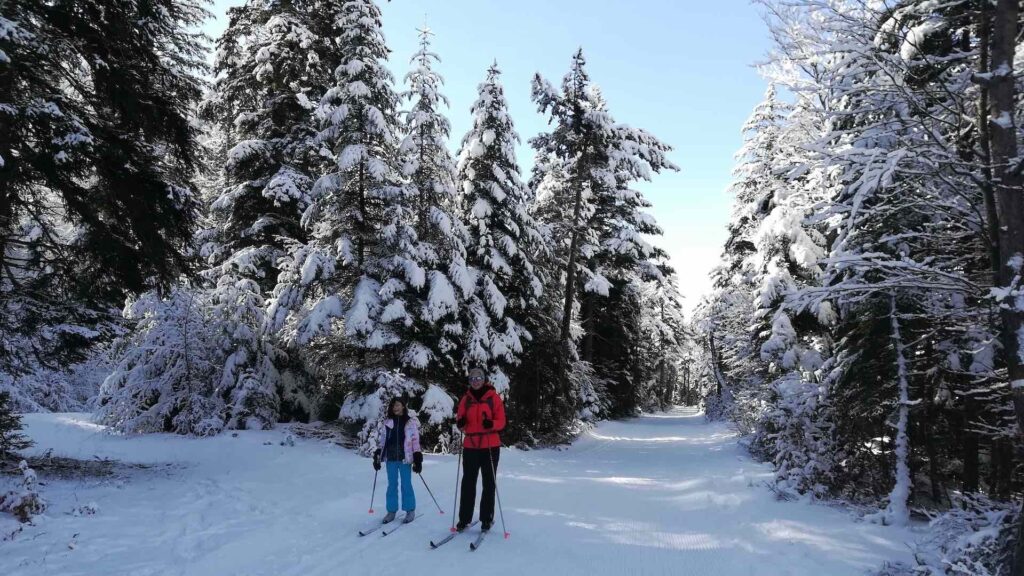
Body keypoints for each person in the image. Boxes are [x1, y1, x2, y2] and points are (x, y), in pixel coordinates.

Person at [455, 367, 506, 532]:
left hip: (490, 445)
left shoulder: (493, 398)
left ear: (484, 379)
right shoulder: (466, 399)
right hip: (471, 445)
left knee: (488, 483)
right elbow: (460, 418)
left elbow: (502, 421)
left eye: (478, 378)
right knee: (468, 483)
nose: (475, 381)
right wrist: (461, 423)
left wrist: (492, 424)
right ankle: (464, 519)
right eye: (472, 378)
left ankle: (486, 518)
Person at [372, 397, 423, 524]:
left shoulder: (410, 422)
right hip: (391, 458)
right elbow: (383, 440)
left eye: (398, 405)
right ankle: (391, 511)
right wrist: (378, 453)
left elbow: (415, 440)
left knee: (406, 484)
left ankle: (410, 510)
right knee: (391, 485)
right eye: (393, 406)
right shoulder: (388, 422)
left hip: (405, 458)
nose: (395, 408)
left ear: (403, 407)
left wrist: (417, 456)